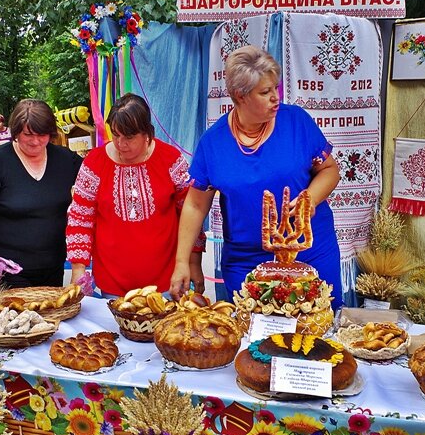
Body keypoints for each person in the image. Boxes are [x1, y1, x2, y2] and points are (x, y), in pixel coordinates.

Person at [169, 45, 343, 307]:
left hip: (310, 253)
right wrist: (182, 261)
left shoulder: (296, 122)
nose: (276, 97)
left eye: (276, 88)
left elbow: (330, 170)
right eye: (265, 92)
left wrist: (310, 199)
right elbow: (195, 205)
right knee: (253, 339)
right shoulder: (213, 143)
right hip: (247, 259)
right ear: (240, 96)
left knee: (318, 335)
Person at [65, 94, 205, 297]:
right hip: (112, 285)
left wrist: (193, 262)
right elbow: (80, 218)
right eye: (115, 135)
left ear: (146, 132)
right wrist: (78, 268)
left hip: (166, 282)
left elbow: (191, 213)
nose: (121, 143)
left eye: (129, 137)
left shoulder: (170, 159)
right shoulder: (94, 163)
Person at [0, 99, 83, 288]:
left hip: (52, 267)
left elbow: (94, 187)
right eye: (28, 134)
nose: (36, 141)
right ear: (16, 132)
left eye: (42, 135)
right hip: (7, 271)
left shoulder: (66, 160)